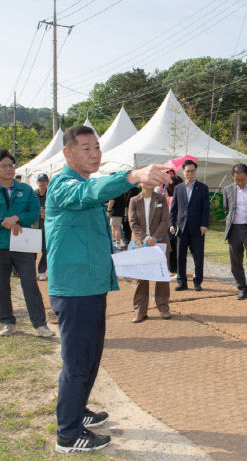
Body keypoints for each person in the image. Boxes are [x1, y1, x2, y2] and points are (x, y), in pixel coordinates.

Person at [45, 125, 170, 453]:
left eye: (97, 147)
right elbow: (89, 193)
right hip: (74, 290)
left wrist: (124, 260)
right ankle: (67, 433)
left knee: (90, 356)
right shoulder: (64, 184)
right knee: (76, 362)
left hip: (90, 285)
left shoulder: (85, 183)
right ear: (67, 153)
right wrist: (133, 176)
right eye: (85, 148)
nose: (95, 153)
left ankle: (78, 412)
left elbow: (90, 235)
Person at [0, 151, 54, 338]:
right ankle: (7, 321)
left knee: (30, 284)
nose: (9, 169)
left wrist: (17, 218)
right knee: (0, 285)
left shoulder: (26, 190)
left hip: (23, 243)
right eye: (4, 165)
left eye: (11, 165)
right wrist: (3, 221)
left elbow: (34, 212)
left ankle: (39, 323)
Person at [128, 182, 172, 322]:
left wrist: (154, 237)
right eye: (146, 180)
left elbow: (165, 220)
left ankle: (163, 307)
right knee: (141, 277)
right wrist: (146, 238)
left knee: (161, 276)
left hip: (159, 242)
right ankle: (140, 310)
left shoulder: (161, 198)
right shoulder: (134, 200)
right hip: (140, 243)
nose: (149, 183)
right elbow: (132, 222)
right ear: (141, 183)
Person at [223, 164, 247, 300]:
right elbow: (226, 209)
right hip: (234, 229)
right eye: (236, 180)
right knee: (235, 261)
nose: (240, 183)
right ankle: (242, 287)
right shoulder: (227, 190)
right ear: (233, 178)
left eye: (242, 179)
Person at [170, 160, 209, 291]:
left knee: (198, 256)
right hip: (181, 228)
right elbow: (174, 208)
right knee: (180, 256)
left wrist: (204, 224)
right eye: (188, 171)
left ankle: (197, 282)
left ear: (195, 171)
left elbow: (206, 209)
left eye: (192, 171)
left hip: (198, 228)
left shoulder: (203, 188)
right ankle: (182, 282)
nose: (190, 173)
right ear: (183, 172)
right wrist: (171, 224)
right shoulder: (178, 188)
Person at [35, 173, 50, 281]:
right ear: (37, 182)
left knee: (46, 250)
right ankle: (29, 273)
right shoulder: (32, 194)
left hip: (46, 227)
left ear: (47, 182)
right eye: (40, 181)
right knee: (31, 252)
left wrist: (47, 211)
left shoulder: (51, 194)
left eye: (44, 181)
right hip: (33, 226)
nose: (42, 183)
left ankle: (41, 271)